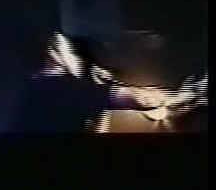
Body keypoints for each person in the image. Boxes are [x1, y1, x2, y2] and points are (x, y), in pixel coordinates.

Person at [14, 32, 206, 132]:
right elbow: (137, 99)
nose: (79, 59)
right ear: (54, 55)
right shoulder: (58, 87)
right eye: (72, 52)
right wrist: (179, 96)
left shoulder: (40, 90)